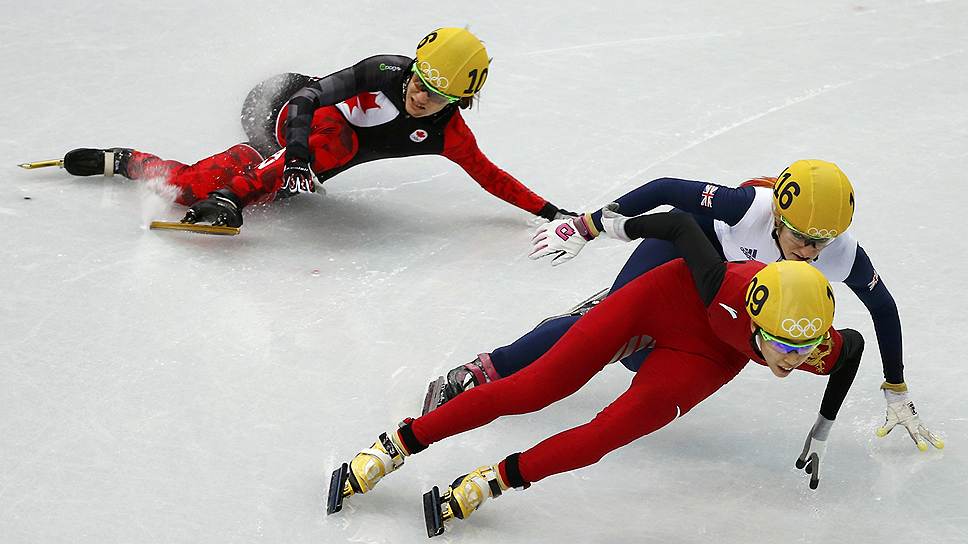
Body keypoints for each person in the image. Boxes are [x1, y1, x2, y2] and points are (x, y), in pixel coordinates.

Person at [329, 208, 865, 536]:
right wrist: (604, 225)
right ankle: (395, 445)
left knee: (602, 437)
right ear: (755, 317)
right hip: (662, 303)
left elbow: (854, 349)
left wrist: (821, 430)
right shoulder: (720, 282)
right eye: (778, 346)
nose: (791, 361)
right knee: (532, 389)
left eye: (803, 350)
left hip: (705, 360)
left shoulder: (815, 344)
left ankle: (490, 482)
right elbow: (679, 223)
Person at [430, 160, 941, 452]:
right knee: (604, 331)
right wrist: (589, 225)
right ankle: (483, 369)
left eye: (821, 243)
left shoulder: (842, 253)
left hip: (730, 291)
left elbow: (884, 309)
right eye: (801, 238)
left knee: (638, 359)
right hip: (688, 251)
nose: (808, 252)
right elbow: (666, 189)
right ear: (778, 217)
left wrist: (895, 387)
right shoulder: (749, 209)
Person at [54, 28, 572, 227]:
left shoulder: (449, 135)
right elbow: (307, 96)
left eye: (435, 94)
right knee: (335, 135)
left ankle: (123, 160)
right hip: (276, 108)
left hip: (293, 164)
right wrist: (295, 156)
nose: (418, 94)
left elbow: (490, 176)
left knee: (189, 189)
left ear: (459, 100)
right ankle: (239, 193)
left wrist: (552, 213)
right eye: (418, 79)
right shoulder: (383, 71)